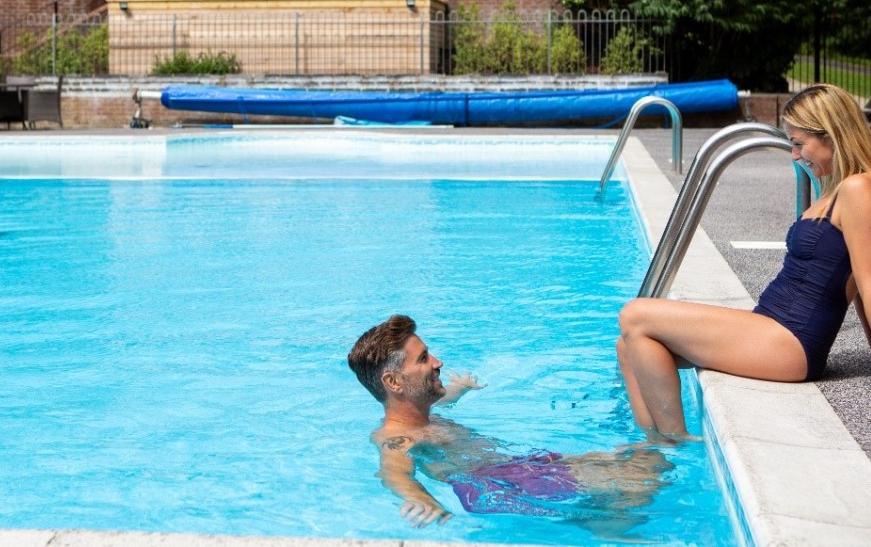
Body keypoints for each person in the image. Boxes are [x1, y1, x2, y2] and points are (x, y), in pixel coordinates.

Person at [618, 83, 871, 443]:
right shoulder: (835, 189)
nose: (795, 155)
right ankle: (652, 453)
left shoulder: (858, 189)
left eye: (800, 143)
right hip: (771, 325)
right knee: (628, 346)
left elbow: (867, 280)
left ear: (831, 135)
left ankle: (674, 447)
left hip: (792, 341)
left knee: (636, 315)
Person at [348, 314, 671, 530]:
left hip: (521, 467)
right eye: (423, 359)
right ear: (394, 383)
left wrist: (456, 390)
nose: (438, 362)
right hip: (506, 484)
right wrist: (419, 498)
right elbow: (393, 471)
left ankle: (601, 521)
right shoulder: (399, 437)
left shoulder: (421, 415)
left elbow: (436, 403)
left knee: (640, 455)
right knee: (651, 463)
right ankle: (603, 526)